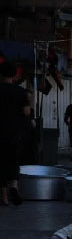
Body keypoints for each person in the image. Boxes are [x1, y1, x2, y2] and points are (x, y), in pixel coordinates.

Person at [0, 61, 30, 206]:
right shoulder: (21, 92)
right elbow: (26, 112)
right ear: (14, 75)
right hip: (15, 132)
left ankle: (4, 198)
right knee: (13, 161)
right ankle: (14, 186)